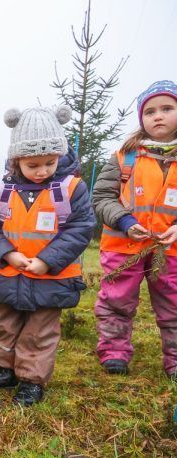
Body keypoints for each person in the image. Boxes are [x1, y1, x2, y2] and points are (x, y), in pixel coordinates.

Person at [0, 105, 95, 406]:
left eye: (49, 163)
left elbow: (81, 228)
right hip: (7, 273)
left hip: (50, 278)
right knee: (4, 324)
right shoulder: (0, 188)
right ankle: (5, 370)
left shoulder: (71, 189)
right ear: (17, 160)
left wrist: (47, 260)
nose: (42, 170)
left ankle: (31, 381)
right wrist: (7, 254)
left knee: (39, 331)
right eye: (33, 164)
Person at [93, 80, 177, 378]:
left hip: (171, 251)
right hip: (122, 247)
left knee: (174, 306)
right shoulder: (124, 156)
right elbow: (101, 197)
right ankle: (114, 353)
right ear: (141, 118)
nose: (158, 116)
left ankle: (175, 361)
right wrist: (125, 222)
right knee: (116, 300)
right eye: (150, 111)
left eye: (167, 108)